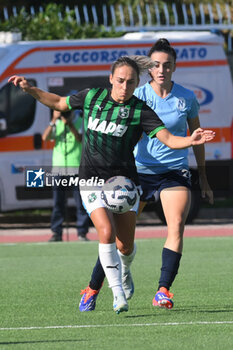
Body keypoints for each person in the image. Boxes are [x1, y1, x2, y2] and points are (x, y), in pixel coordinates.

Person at [8, 55, 215, 314]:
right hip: (91, 179)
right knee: (105, 232)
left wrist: (191, 140)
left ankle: (125, 270)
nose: (125, 87)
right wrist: (30, 90)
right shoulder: (93, 97)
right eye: (120, 81)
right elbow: (59, 102)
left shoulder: (140, 110)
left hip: (124, 182)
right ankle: (117, 295)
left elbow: (170, 139)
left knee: (124, 245)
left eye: (130, 82)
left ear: (137, 82)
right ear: (110, 79)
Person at [76, 40, 214, 313]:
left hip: (174, 172)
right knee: (117, 239)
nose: (162, 69)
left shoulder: (187, 98)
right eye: (156, 65)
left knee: (176, 225)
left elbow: (195, 140)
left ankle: (162, 290)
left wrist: (204, 177)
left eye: (167, 64)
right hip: (136, 174)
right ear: (149, 69)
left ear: (175, 67)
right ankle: (92, 288)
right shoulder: (136, 96)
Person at [42, 109, 90, 242]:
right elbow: (45, 137)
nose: (65, 115)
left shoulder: (80, 121)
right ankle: (56, 232)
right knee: (58, 202)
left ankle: (82, 232)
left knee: (80, 202)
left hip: (75, 168)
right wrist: (53, 120)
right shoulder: (56, 124)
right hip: (58, 168)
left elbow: (80, 139)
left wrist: (69, 124)